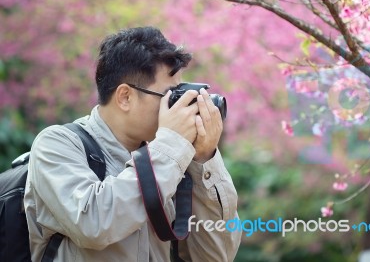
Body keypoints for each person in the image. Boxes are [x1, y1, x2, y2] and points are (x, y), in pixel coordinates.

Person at [24, 26, 241, 262]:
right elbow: (94, 224)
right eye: (170, 96)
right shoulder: (56, 144)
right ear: (125, 97)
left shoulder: (171, 159)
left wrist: (203, 160)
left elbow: (215, 256)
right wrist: (172, 145)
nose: (179, 107)